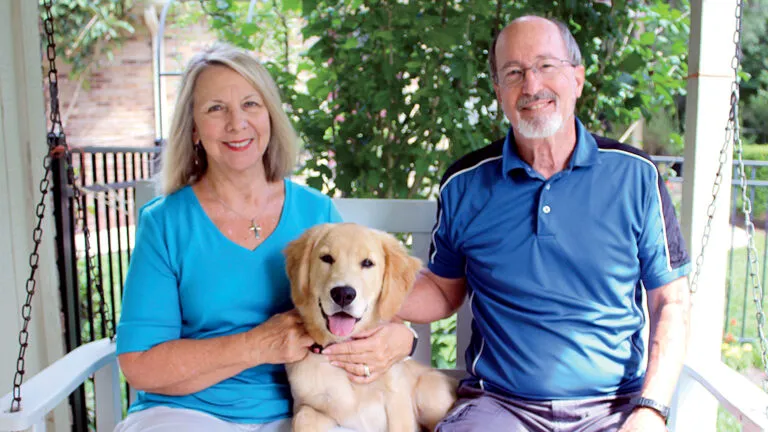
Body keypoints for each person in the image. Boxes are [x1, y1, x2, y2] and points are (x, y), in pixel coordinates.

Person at [391, 15, 690, 432]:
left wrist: (651, 409)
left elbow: (670, 302)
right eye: (513, 73)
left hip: (613, 408)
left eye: (546, 66)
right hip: (500, 406)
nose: (531, 86)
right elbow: (442, 290)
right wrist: (351, 294)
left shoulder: (635, 177)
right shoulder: (465, 184)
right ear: (498, 91)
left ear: (578, 78)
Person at [114, 43, 415, 432]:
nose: (236, 123)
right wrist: (257, 345)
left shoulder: (316, 215)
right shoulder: (166, 224)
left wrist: (403, 340)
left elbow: (368, 301)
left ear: (270, 116)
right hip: (186, 413)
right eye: (215, 108)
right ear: (192, 128)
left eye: (251, 105)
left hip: (307, 411)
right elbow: (140, 365)